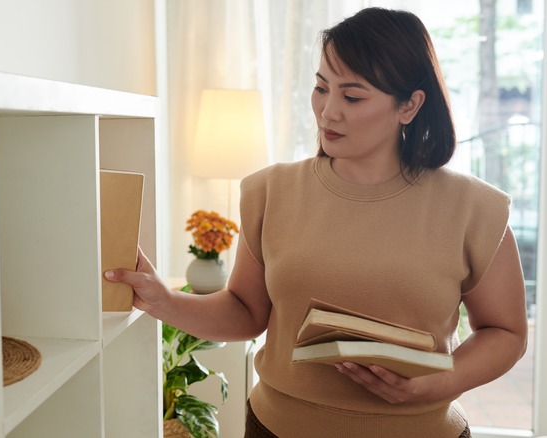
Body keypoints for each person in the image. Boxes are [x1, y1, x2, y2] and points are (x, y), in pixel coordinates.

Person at [104, 7, 528, 437]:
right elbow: (246, 312)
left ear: (410, 105)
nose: (327, 112)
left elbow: (506, 332)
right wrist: (162, 301)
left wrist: (445, 381)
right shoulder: (271, 192)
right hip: (275, 427)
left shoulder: (475, 208)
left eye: (353, 96)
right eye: (321, 88)